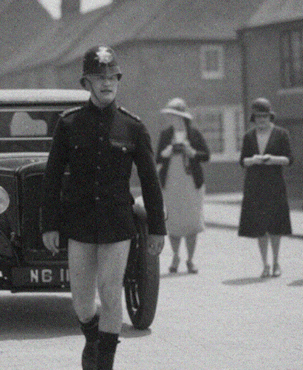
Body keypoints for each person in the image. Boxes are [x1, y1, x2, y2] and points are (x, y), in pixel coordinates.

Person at [41, 45, 166, 370]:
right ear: (87, 83)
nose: (107, 83)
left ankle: (105, 361)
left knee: (110, 293)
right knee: (82, 303)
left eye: (112, 78)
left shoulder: (133, 127)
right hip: (79, 223)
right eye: (100, 78)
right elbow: (52, 178)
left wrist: (157, 228)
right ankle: (93, 338)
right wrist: (50, 224)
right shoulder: (69, 125)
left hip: (117, 223)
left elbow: (151, 181)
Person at [238, 98, 293, 278]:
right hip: (255, 186)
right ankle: (265, 264)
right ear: (254, 118)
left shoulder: (281, 134)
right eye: (258, 117)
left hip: (275, 184)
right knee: (260, 226)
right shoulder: (248, 136)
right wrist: (253, 160)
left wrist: (272, 159)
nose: (261, 120)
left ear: (271, 117)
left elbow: (289, 159)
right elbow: (242, 161)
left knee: (276, 226)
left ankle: (277, 262)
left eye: (265, 117)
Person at [156, 98, 210, 274]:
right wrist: (168, 151)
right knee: (173, 221)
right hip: (171, 183)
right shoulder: (165, 135)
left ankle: (191, 259)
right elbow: (157, 158)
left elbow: (206, 155)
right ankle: (175, 255)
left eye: (177, 117)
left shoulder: (194, 134)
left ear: (184, 118)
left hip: (191, 184)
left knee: (192, 221)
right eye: (172, 117)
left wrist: (191, 151)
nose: (174, 120)